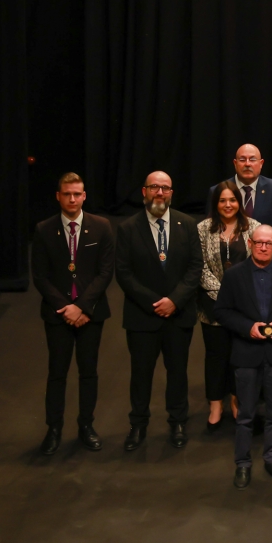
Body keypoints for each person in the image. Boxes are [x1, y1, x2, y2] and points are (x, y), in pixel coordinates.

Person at [115, 171, 203, 451]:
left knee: (177, 372)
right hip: (143, 316)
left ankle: (177, 423)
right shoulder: (128, 228)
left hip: (178, 315)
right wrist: (156, 302)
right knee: (141, 374)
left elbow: (194, 267)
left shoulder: (187, 224)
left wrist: (174, 301)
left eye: (165, 188)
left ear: (171, 193)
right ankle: (137, 426)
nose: (160, 193)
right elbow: (124, 274)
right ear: (144, 191)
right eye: (154, 187)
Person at [214, 225, 272, 489]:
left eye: (269, 244)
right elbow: (222, 311)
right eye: (259, 242)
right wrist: (246, 327)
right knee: (245, 413)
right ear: (251, 243)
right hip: (246, 352)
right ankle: (242, 464)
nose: (264, 247)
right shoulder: (234, 275)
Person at [31, 172, 115, 454]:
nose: (72, 199)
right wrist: (65, 307)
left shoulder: (102, 226)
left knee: (88, 372)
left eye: (77, 194)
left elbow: (105, 273)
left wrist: (82, 306)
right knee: (57, 373)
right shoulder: (44, 229)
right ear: (58, 196)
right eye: (66, 194)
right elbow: (40, 277)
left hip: (90, 313)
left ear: (84, 196)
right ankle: (53, 429)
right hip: (58, 314)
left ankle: (85, 426)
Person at [197, 181, 259, 432]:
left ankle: (236, 400)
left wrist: (237, 295)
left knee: (240, 356)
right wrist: (222, 293)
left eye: (232, 200)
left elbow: (259, 261)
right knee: (215, 356)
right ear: (216, 203)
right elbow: (198, 264)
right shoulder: (202, 228)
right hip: (212, 305)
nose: (228, 205)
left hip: (244, 305)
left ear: (239, 202)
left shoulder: (253, 227)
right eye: (222, 201)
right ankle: (215, 404)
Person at [207, 144, 272, 225]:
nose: (247, 164)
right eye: (242, 159)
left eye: (252, 159)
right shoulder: (216, 191)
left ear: (261, 163)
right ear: (235, 163)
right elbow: (210, 226)